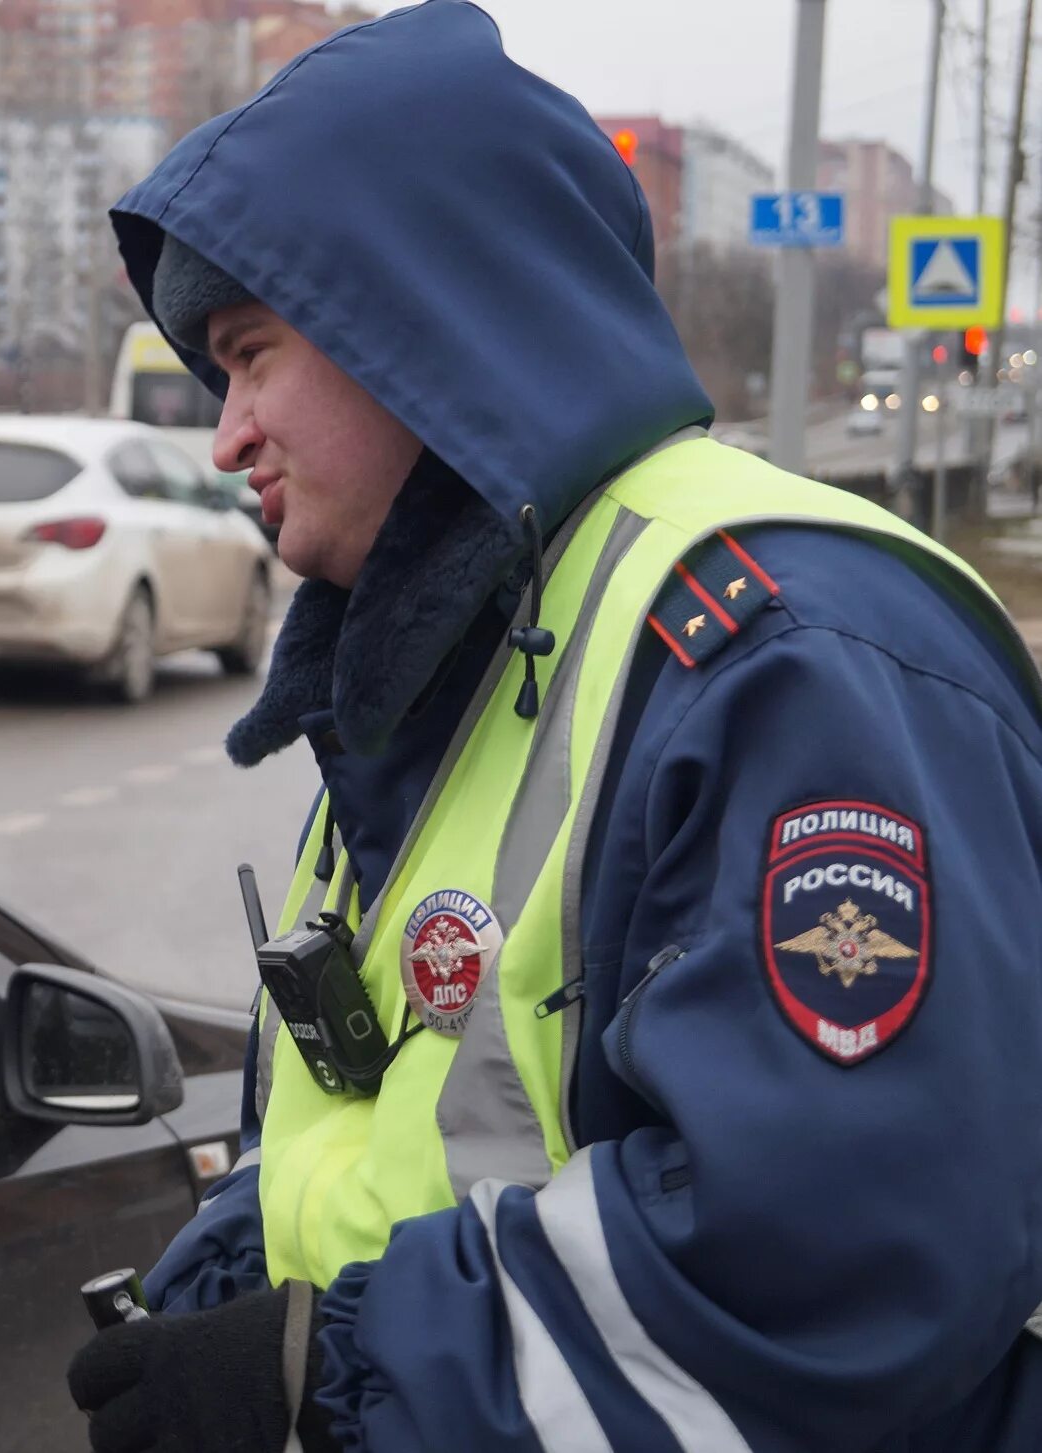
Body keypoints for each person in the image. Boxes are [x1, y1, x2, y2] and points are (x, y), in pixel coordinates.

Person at [67, 4, 1042, 1449]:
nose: (226, 432)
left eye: (255, 351)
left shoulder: (786, 652)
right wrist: (219, 1289)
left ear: (424, 320)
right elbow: (375, 1116)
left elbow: (830, 1264)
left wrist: (322, 1379)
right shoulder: (434, 655)